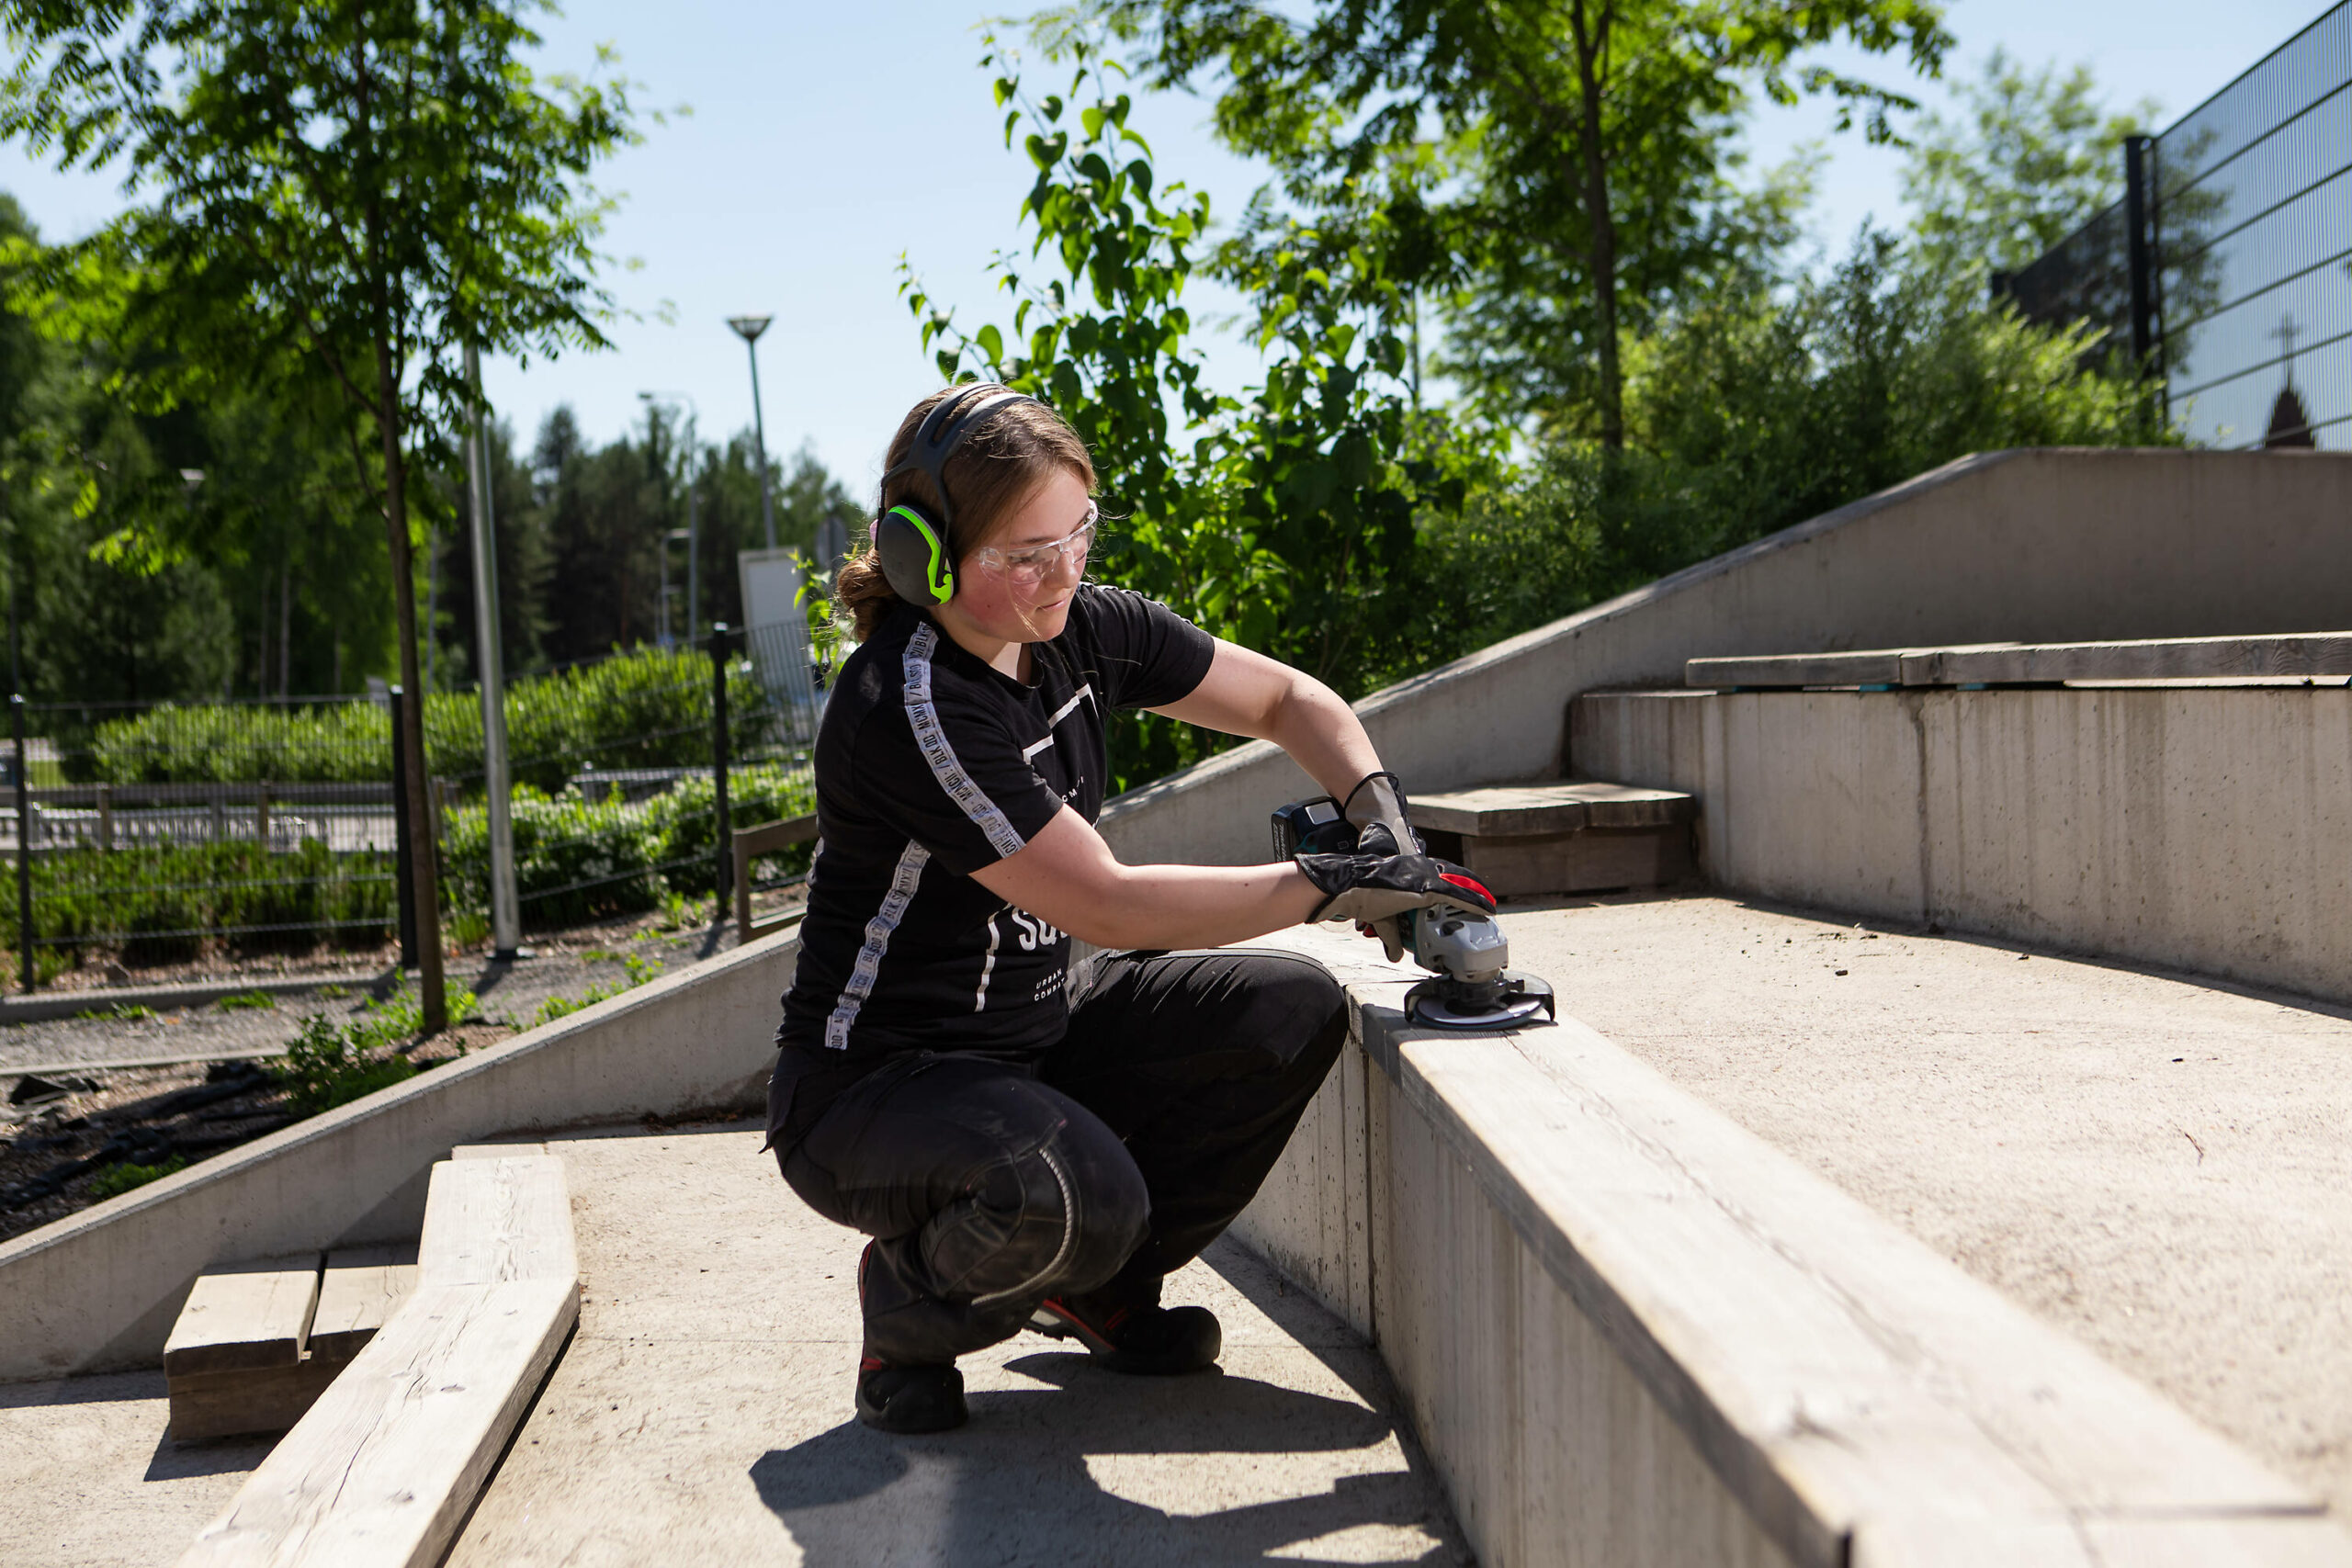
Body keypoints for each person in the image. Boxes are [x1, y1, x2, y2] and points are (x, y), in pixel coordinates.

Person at [768, 384, 1495, 1434]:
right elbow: (1106, 904)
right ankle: (908, 1312)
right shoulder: (912, 706)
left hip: (1038, 1037)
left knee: (1285, 1013)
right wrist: (1325, 886)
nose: (1063, 571)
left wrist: (1382, 828)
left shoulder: (1078, 625)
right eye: (1025, 554)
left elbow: (1294, 703)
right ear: (927, 557)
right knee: (1070, 1193)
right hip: (877, 1090)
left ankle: (1096, 1288)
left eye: (1078, 534)